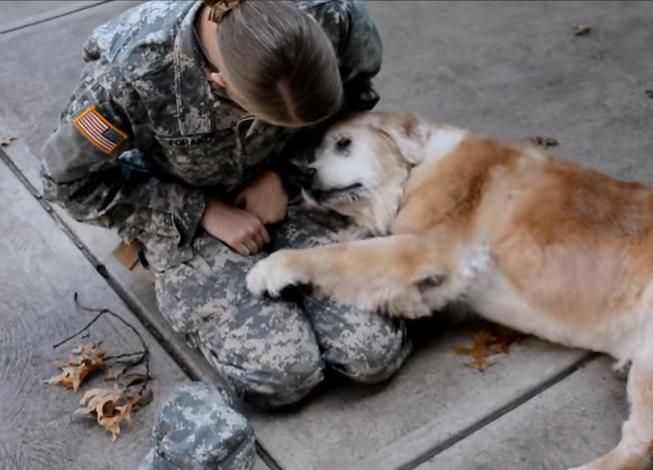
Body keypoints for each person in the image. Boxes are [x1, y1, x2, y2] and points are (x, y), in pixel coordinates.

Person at [40, 0, 411, 410]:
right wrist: (200, 211)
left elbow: (355, 101)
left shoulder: (333, 14)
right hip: (188, 213)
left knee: (372, 354)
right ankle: (167, 266)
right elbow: (65, 183)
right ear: (220, 83)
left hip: (300, 181)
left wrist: (284, 174)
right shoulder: (131, 78)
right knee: (285, 377)